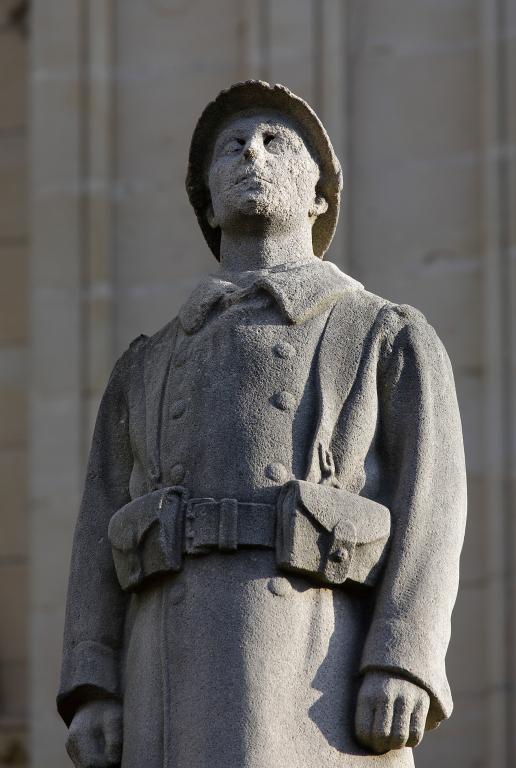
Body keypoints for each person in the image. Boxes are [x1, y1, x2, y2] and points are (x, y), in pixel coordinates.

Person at [58, 81, 467, 768]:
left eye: (277, 143)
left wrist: (404, 660)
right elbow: (99, 525)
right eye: (231, 147)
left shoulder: (383, 335)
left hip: (316, 680)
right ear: (208, 203)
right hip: (168, 685)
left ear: (317, 196)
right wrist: (93, 686)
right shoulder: (146, 363)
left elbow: (433, 509)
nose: (252, 152)